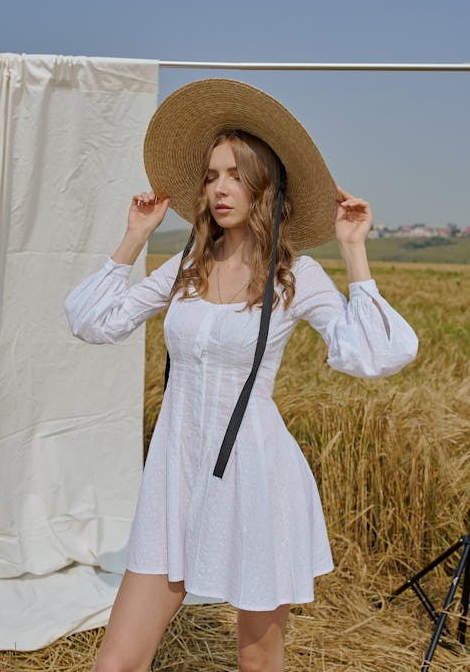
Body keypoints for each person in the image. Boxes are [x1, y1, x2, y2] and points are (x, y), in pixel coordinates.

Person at [64, 79, 418, 672]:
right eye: (210, 175)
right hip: (174, 475)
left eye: (234, 173)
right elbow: (92, 322)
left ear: (264, 186)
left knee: (257, 660)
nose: (219, 187)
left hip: (256, 479)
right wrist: (133, 237)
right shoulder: (185, 266)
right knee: (116, 661)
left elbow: (374, 354)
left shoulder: (295, 276)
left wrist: (353, 250)